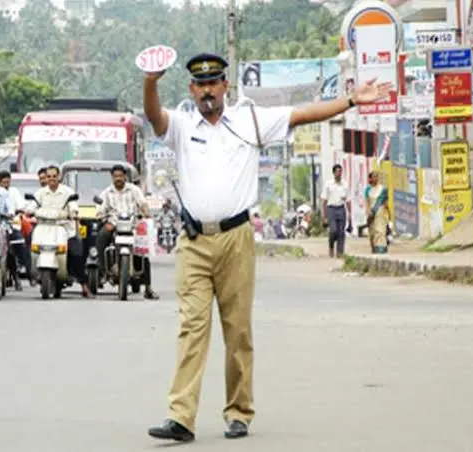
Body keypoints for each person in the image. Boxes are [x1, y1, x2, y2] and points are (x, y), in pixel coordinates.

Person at [143, 52, 391, 442]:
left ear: (225, 85)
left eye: (214, 82)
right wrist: (151, 82)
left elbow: (303, 114)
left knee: (237, 330)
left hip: (236, 239)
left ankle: (239, 411)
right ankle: (181, 417)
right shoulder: (180, 123)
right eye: (200, 84)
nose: (207, 90)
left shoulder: (249, 119)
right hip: (194, 243)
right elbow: (155, 118)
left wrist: (352, 100)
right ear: (191, 89)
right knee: (192, 328)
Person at [28, 165, 94, 298]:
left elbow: (73, 205)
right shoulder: (40, 193)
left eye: (54, 176)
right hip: (44, 228)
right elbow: (31, 206)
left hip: (64, 229)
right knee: (29, 244)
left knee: (76, 255)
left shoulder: (67, 192)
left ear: (59, 177)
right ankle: (32, 273)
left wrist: (74, 213)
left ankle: (84, 286)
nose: (51, 179)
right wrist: (28, 211)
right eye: (49, 176)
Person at [95, 164, 159, 300]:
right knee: (101, 237)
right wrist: (102, 217)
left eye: (121, 176)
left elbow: (143, 204)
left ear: (125, 176)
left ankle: (148, 288)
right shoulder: (107, 193)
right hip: (114, 224)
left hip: (133, 226)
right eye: (115, 176)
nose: (118, 178)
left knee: (143, 252)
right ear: (112, 177)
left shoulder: (134, 190)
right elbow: (100, 209)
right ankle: (102, 272)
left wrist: (146, 214)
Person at [0, 170, 33, 282]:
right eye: (3, 182)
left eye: (8, 182)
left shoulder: (13, 192)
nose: (6, 185)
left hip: (12, 225)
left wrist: (19, 211)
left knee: (21, 244)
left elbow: (21, 205)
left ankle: (26, 269)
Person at [321, 164, 351, 258]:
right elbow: (324, 201)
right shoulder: (328, 184)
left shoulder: (345, 184)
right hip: (331, 209)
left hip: (341, 208)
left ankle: (340, 252)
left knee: (341, 232)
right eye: (337, 171)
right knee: (333, 230)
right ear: (334, 173)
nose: (339, 173)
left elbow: (348, 200)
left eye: (340, 171)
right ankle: (331, 246)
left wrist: (349, 213)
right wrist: (325, 216)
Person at [364, 171, 390, 254]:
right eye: (374, 177)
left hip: (381, 213)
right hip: (372, 213)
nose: (376, 178)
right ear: (370, 178)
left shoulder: (383, 189)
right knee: (372, 233)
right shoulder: (368, 189)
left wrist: (389, 213)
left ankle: (381, 249)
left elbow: (386, 202)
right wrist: (368, 211)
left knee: (380, 231)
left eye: (377, 177)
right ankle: (375, 249)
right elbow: (367, 201)